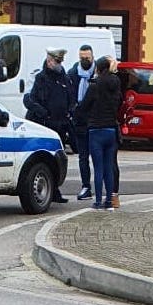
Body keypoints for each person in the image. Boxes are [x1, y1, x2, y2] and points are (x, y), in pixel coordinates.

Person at [22, 47, 73, 203]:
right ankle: (50, 191)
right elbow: (29, 100)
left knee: (57, 158)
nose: (58, 64)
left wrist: (70, 113)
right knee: (45, 159)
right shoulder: (40, 78)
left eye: (60, 61)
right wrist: (43, 113)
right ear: (49, 60)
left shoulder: (64, 78)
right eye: (56, 61)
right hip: (44, 125)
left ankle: (55, 190)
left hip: (60, 126)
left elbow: (70, 98)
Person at [78, 55, 122, 210]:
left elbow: (83, 107)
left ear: (98, 69)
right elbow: (119, 104)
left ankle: (97, 202)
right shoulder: (116, 85)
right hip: (111, 130)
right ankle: (109, 202)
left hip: (96, 130)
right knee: (109, 166)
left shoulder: (95, 86)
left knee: (98, 168)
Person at [66, 44, 96, 200]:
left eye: (87, 58)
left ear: (92, 57)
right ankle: (86, 186)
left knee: (98, 156)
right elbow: (69, 95)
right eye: (82, 58)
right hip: (80, 121)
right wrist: (73, 111)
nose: (85, 60)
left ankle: (101, 186)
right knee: (83, 157)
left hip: (95, 121)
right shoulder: (73, 74)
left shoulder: (98, 74)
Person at [110, 57, 137, 209]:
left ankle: (105, 197)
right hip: (114, 128)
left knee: (104, 164)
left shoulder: (98, 87)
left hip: (102, 128)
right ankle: (113, 196)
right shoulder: (119, 92)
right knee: (112, 163)